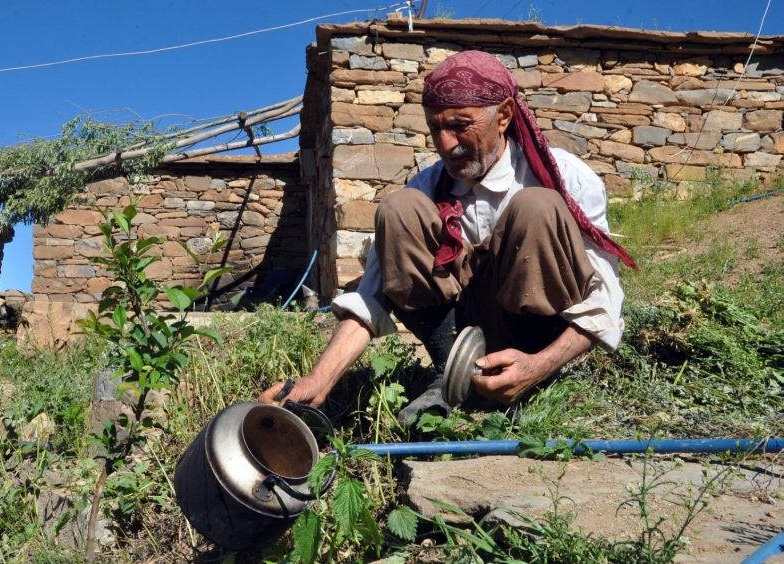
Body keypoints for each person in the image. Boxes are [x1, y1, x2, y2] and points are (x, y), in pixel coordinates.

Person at [259, 50, 637, 420]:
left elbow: (603, 296)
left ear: (503, 116)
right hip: (463, 334)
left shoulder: (566, 178)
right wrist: (319, 379)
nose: (444, 144)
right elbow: (371, 295)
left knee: (536, 206)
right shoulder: (426, 188)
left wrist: (540, 364)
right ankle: (451, 373)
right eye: (434, 127)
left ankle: (523, 381)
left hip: (535, 348)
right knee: (399, 209)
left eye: (459, 124)